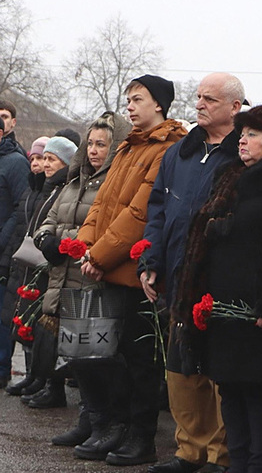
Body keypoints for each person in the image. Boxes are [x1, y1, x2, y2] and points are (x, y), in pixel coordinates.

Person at [175, 106, 262, 473]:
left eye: (254, 135)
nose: (243, 140)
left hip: (257, 308)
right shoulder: (230, 178)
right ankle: (238, 463)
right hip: (224, 304)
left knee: (258, 390)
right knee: (229, 387)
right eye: (242, 133)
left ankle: (260, 465)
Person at [76, 74, 186, 466]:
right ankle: (115, 428)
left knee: (140, 360)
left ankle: (141, 437)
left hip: (136, 274)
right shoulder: (127, 147)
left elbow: (139, 214)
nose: (130, 106)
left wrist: (99, 257)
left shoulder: (167, 148)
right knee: (109, 355)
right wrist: (86, 248)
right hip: (107, 267)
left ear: (159, 104)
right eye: (128, 100)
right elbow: (101, 204)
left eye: (137, 99)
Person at [140, 72, 243, 473]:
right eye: (198, 97)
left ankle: (221, 453)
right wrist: (150, 262)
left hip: (219, 275)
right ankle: (189, 449)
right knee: (180, 364)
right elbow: (157, 211)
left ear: (235, 107)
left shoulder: (244, 153)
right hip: (176, 270)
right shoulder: (179, 153)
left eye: (210, 99)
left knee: (215, 365)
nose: (199, 104)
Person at [33, 113, 131, 446]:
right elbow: (47, 217)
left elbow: (102, 227)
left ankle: (104, 423)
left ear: (114, 147)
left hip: (92, 280)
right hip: (65, 277)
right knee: (77, 356)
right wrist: (48, 237)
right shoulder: (74, 181)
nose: (93, 150)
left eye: (101, 144)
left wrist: (62, 238)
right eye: (90, 143)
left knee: (97, 358)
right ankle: (88, 420)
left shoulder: (112, 183)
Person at [4, 136, 76, 408]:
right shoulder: (43, 187)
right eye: (43, 158)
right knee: (28, 321)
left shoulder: (63, 188)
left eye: (51, 159)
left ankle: (49, 382)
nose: (44, 164)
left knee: (47, 328)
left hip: (52, 265)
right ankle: (37, 376)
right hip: (31, 260)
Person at [0, 135, 43, 391]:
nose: (39, 164)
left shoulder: (15, 163)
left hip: (8, 252)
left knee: (6, 315)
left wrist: (2, 242)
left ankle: (3, 369)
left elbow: (19, 212)